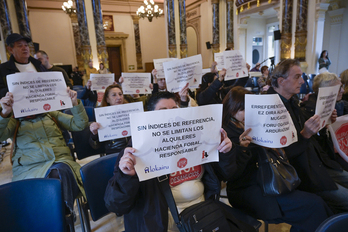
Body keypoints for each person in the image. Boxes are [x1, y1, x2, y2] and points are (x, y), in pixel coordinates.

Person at [104, 91, 233, 232]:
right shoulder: (135, 151)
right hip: (162, 220)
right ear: (150, 116)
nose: (170, 117)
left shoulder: (195, 139)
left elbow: (226, 175)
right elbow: (116, 205)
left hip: (203, 212)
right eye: (163, 111)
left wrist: (225, 152)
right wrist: (126, 176)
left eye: (174, 110)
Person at [215, 86, 332, 232]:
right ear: (232, 109)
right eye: (243, 109)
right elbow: (231, 174)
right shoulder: (227, 134)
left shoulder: (254, 124)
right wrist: (243, 148)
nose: (249, 113)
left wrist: (282, 126)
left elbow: (286, 151)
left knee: (317, 204)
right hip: (249, 190)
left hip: (270, 181)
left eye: (251, 108)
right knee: (313, 206)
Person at [0, 88, 88, 231]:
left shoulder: (50, 114)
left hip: (60, 162)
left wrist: (75, 103)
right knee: (54, 178)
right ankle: (64, 219)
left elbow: (80, 124)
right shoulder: (14, 120)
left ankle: (60, 220)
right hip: (29, 169)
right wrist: (4, 113)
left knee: (59, 172)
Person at [267, 59, 348, 214]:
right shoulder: (270, 107)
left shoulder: (291, 102)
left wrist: (324, 123)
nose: (303, 81)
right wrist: (305, 134)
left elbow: (313, 138)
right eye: (297, 76)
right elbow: (280, 155)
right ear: (281, 81)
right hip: (300, 174)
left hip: (317, 164)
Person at [301, 72, 348, 171]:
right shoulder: (311, 111)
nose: (343, 91)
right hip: (322, 162)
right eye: (339, 88)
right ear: (327, 91)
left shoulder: (326, 105)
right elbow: (318, 147)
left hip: (329, 156)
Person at [0, 33, 46, 98]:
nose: (24, 48)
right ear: (10, 49)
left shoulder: (39, 65)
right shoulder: (3, 69)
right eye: (20, 46)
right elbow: (1, 92)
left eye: (26, 45)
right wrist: (19, 87)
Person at [89, 84, 130, 155]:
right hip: (114, 153)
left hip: (134, 151)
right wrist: (94, 134)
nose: (118, 97)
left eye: (120, 94)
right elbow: (95, 146)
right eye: (114, 95)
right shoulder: (102, 116)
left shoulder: (132, 111)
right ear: (107, 99)